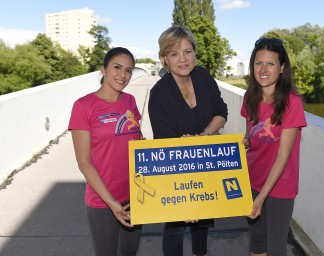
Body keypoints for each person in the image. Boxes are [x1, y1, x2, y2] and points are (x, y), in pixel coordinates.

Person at [148, 25, 228, 256]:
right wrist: (184, 198)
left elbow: (221, 112)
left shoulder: (203, 77)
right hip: (176, 171)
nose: (182, 59)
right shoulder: (159, 94)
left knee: (202, 223)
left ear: (194, 52)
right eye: (174, 53)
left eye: (187, 51)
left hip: (205, 166)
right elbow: (164, 143)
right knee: (174, 228)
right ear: (165, 58)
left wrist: (203, 138)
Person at [68, 47, 143, 256]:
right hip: (103, 201)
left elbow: (138, 141)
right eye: (117, 68)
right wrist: (111, 203)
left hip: (136, 196)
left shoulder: (130, 101)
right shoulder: (83, 106)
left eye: (129, 70)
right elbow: (84, 162)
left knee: (130, 251)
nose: (123, 75)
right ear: (103, 69)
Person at [240, 38, 307, 256]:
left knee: (276, 248)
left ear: (282, 67)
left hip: (280, 186)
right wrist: (244, 143)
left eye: (270, 64)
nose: (263, 69)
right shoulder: (250, 96)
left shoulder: (291, 103)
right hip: (253, 179)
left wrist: (261, 198)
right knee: (257, 243)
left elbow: (283, 156)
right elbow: (250, 136)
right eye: (258, 63)